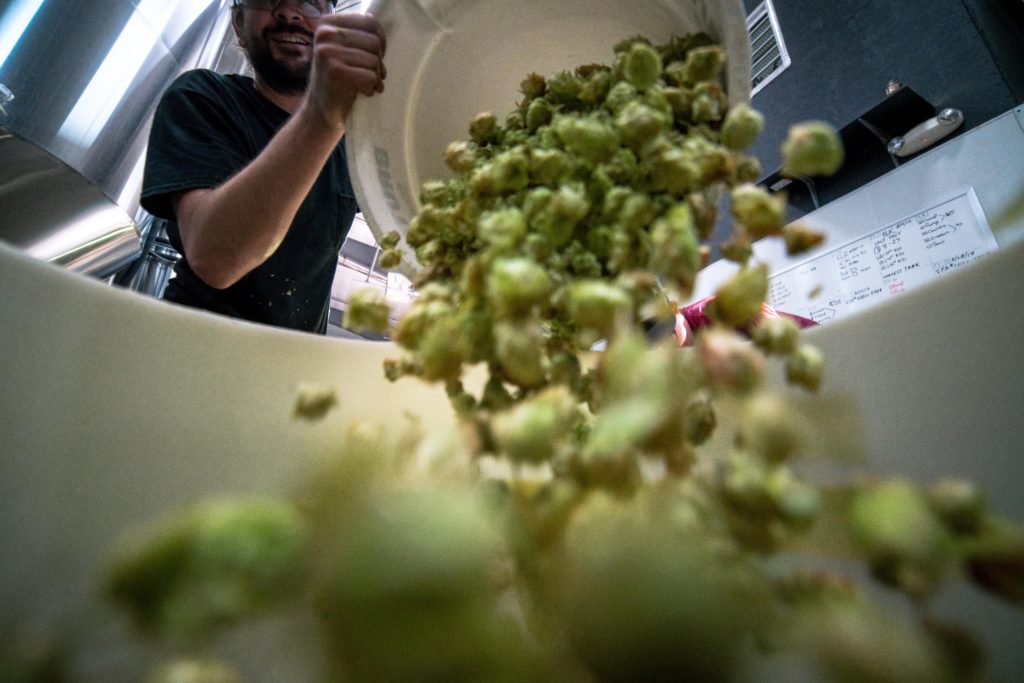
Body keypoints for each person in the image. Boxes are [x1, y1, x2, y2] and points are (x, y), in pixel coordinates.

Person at [141, 0, 387, 333]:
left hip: (293, 357)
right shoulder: (203, 98)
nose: (289, 12)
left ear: (333, 22)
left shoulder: (352, 145)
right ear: (238, 25)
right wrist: (323, 115)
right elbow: (216, 260)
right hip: (193, 346)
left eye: (310, 2)